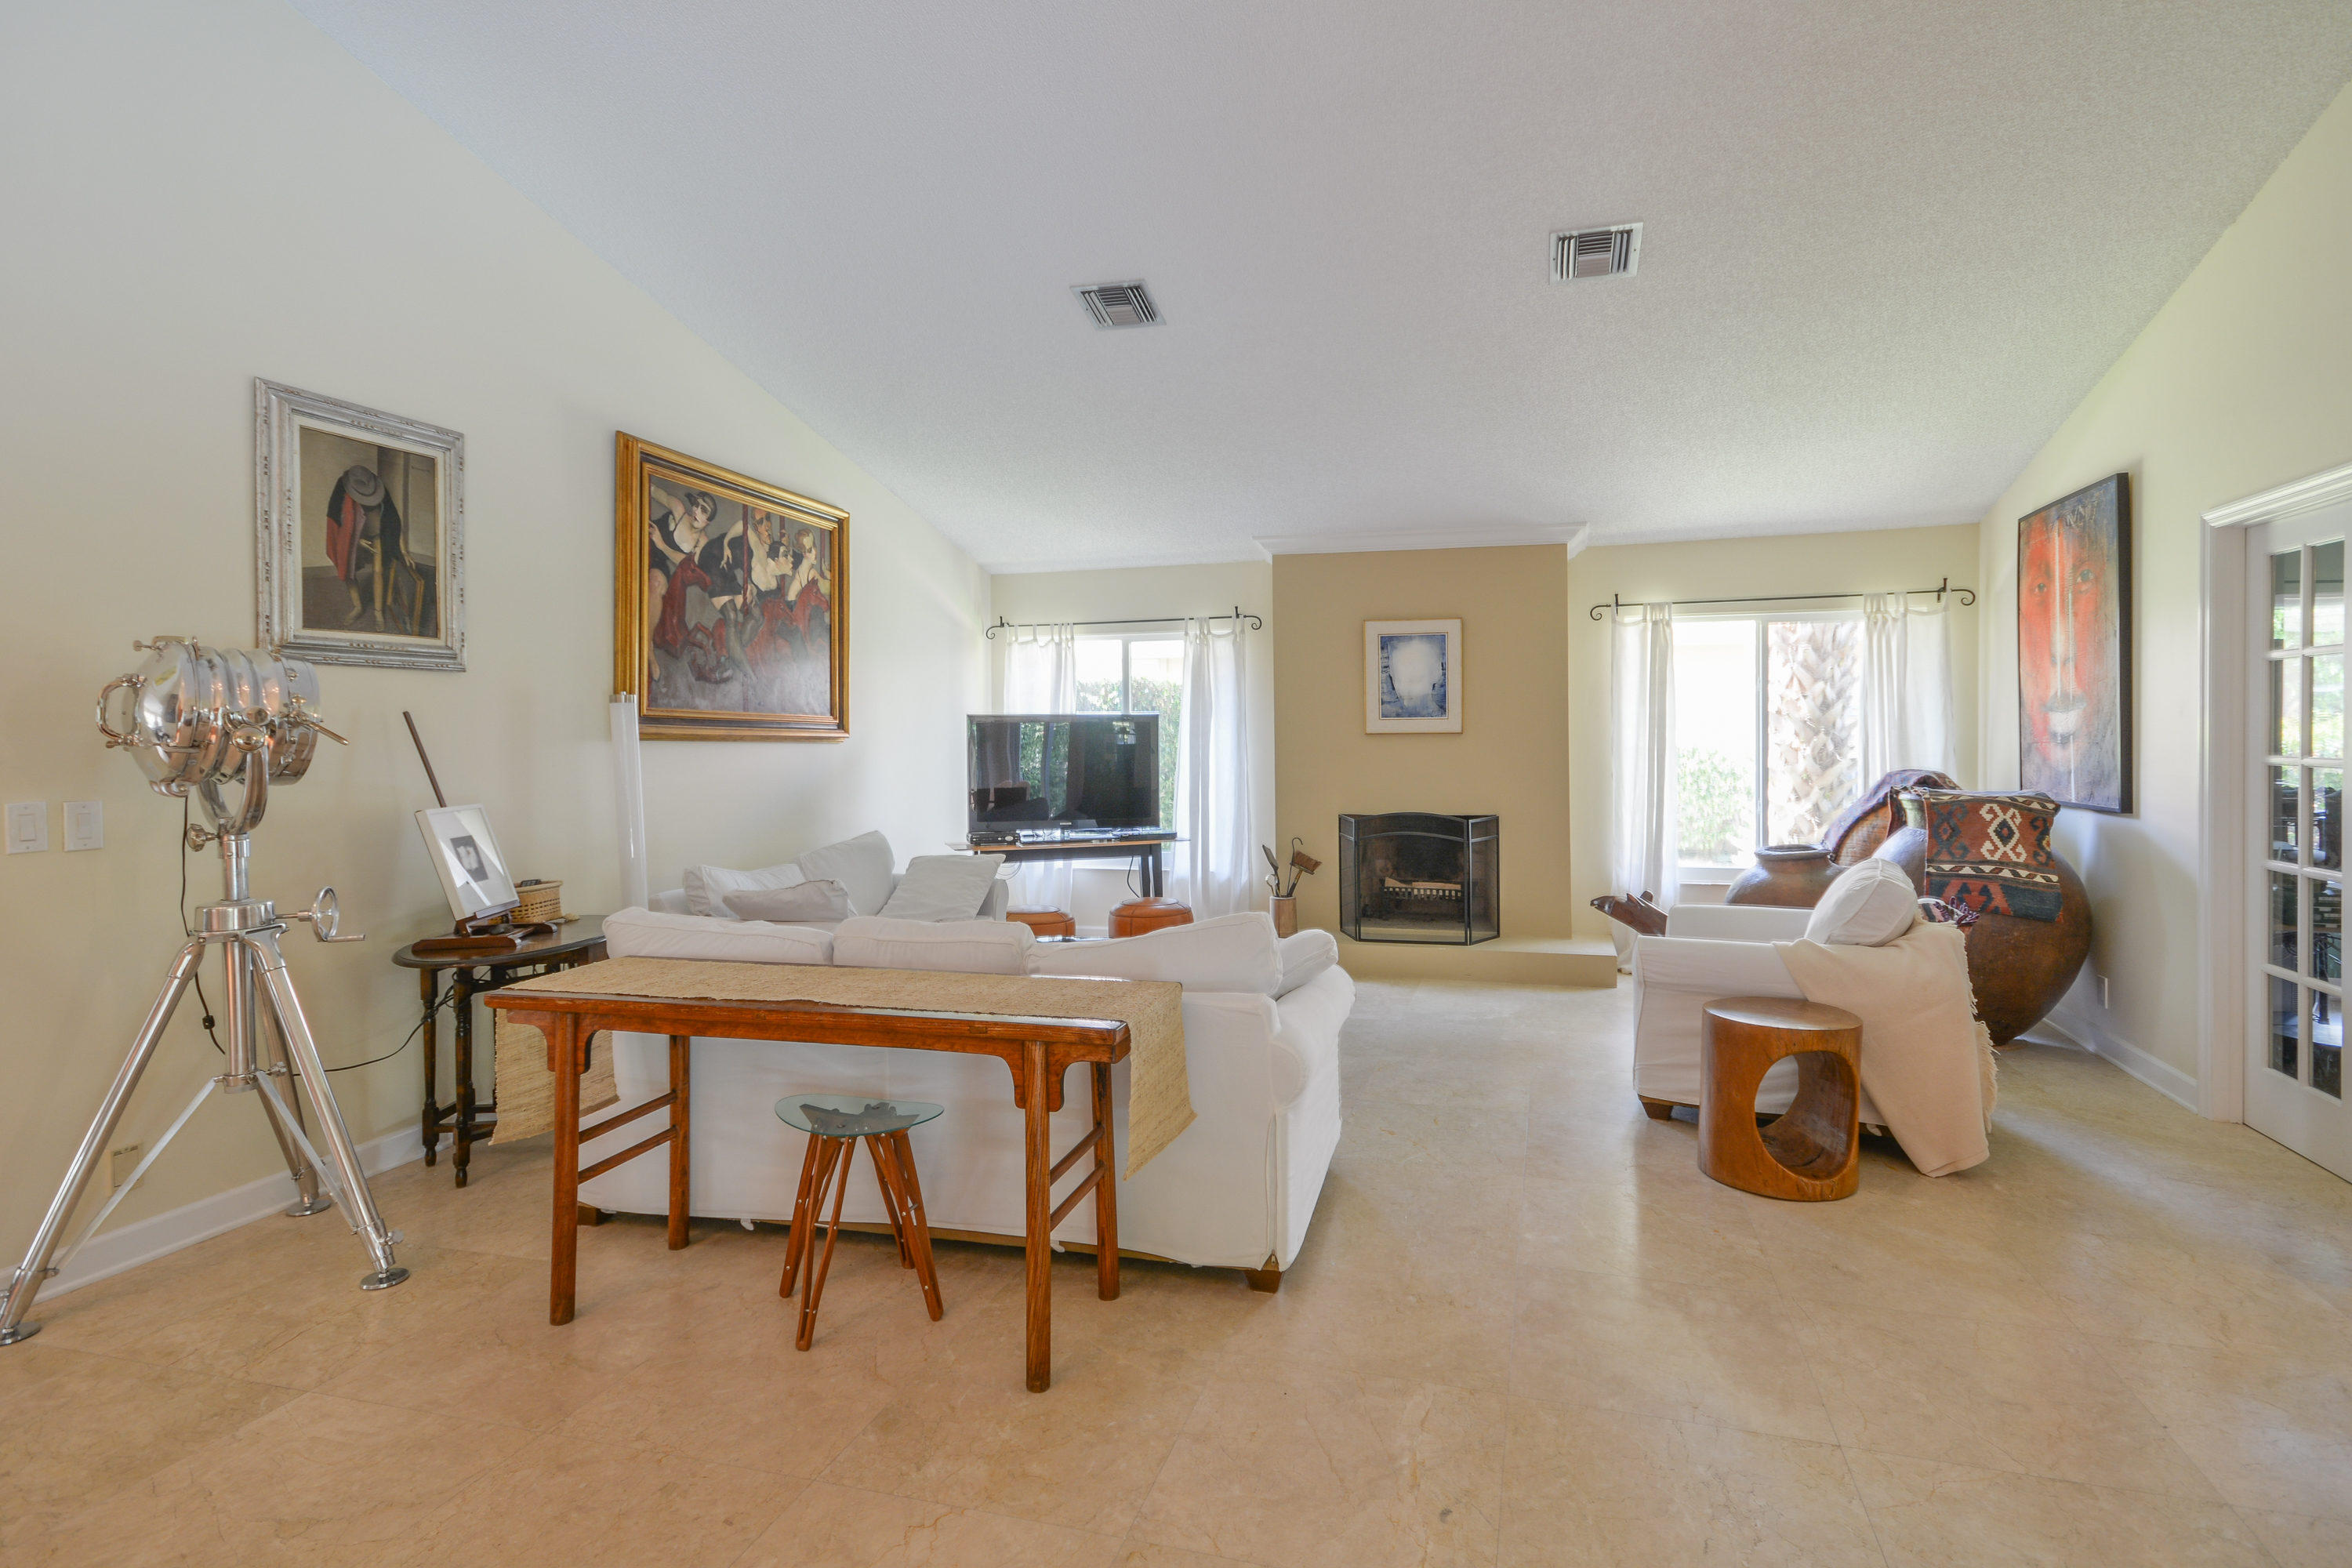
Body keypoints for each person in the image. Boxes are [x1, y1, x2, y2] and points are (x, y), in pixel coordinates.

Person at [324, 464, 421, 630]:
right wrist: (356, 541)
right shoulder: (341, 488)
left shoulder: (381, 490)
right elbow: (336, 520)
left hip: (375, 535)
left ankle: (378, 612)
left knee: (378, 571)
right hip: (353, 537)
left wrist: (404, 551)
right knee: (349, 570)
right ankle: (358, 607)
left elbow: (394, 522)